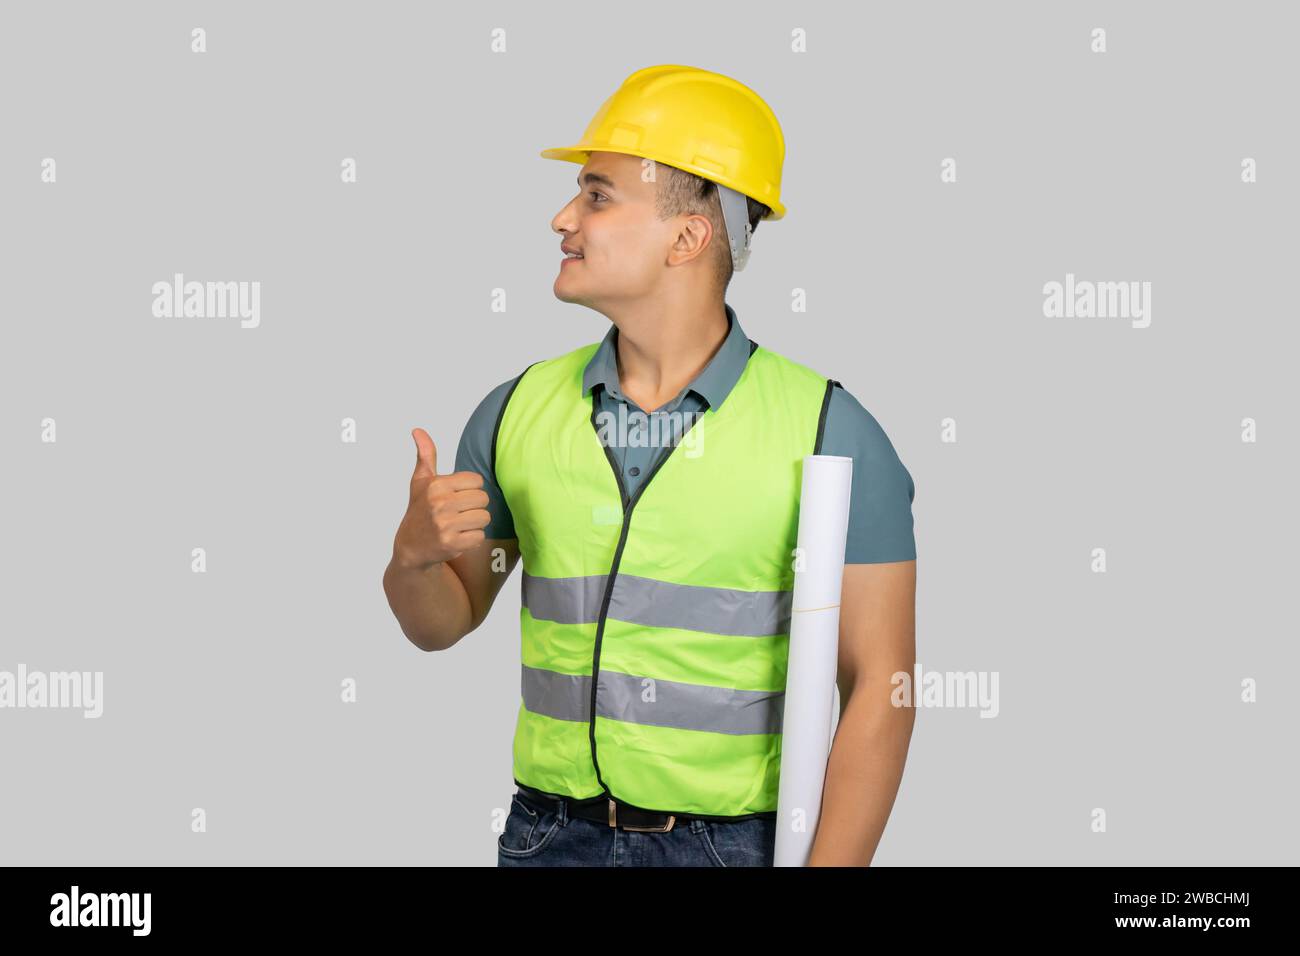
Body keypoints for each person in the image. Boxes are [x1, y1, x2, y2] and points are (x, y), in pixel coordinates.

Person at [383, 65, 917, 867]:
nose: (563, 217)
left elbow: (882, 685)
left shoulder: (832, 431)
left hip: (727, 848)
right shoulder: (515, 411)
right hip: (545, 837)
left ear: (688, 236)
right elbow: (441, 623)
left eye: (597, 195)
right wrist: (412, 557)